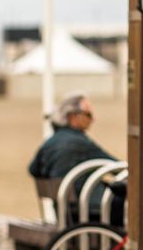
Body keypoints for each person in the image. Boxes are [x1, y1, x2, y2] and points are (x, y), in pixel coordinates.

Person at [28, 92, 116, 221]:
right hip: (89, 210)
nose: (93, 119)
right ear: (73, 116)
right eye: (88, 114)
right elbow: (115, 166)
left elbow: (33, 170)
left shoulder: (50, 142)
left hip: (63, 211)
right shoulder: (80, 142)